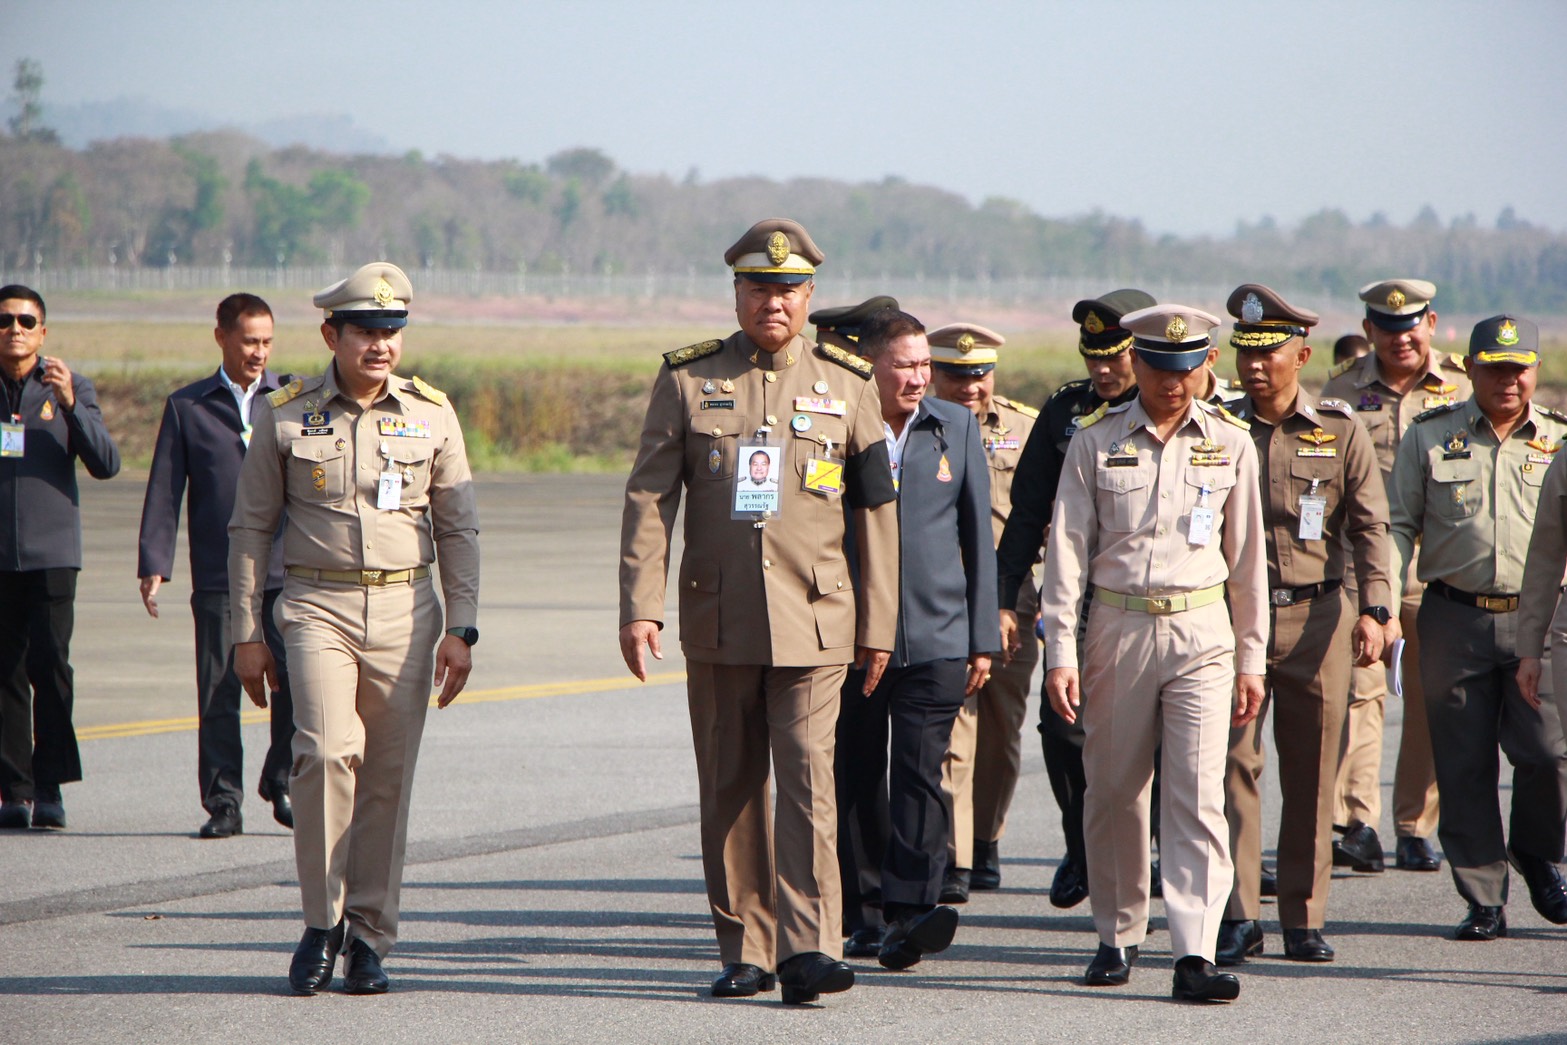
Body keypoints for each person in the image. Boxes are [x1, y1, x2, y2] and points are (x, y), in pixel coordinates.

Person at [618, 218, 899, 1006]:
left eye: (786, 288)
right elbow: (649, 496)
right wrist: (641, 605)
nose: (772, 300)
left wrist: (878, 624)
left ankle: (811, 947)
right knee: (731, 782)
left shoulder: (849, 383)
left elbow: (878, 511)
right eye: (757, 287)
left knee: (809, 781)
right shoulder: (686, 380)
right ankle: (745, 945)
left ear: (808, 296)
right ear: (736, 293)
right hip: (717, 618)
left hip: (816, 620)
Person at [229, 262, 480, 995]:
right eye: (366, 330)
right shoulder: (286, 412)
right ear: (331, 333)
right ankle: (321, 919)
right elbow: (249, 528)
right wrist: (245, 629)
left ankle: (369, 936)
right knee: (325, 754)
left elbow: (459, 528)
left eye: (391, 331)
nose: (380, 345)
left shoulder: (432, 412)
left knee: (385, 780)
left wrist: (462, 626)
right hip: (315, 607)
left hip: (407, 610)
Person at [1040, 303, 1267, 1002]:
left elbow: (1247, 560)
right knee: (1111, 788)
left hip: (1201, 631)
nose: (1174, 383)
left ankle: (1194, 948)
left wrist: (1250, 657)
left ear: (1205, 365)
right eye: (1160, 368)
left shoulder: (1230, 444)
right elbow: (1067, 549)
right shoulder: (1094, 440)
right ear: (1135, 363)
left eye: (1187, 368)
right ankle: (1115, 932)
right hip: (1117, 627)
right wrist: (1059, 649)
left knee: (1196, 793)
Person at [1215, 284, 1391, 967]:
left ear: (1302, 355)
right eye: (1245, 353)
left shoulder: (1338, 429)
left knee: (1313, 773)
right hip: (1233, 623)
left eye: (1270, 354)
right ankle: (1236, 913)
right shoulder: (1219, 428)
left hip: (1318, 614)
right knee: (1232, 767)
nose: (1255, 367)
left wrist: (1376, 608)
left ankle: (1302, 916)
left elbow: (1370, 526)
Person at [1389, 314, 1567, 940]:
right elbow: (1397, 525)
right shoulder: (1430, 436)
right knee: (1463, 764)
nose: (1509, 380)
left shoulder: (1559, 442)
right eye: (1494, 368)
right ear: (1470, 369)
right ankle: (1484, 895)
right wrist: (1383, 604)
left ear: (1535, 372)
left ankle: (1536, 849)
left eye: (1519, 369)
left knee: (1549, 753)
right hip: (1452, 616)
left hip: (1539, 620)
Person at [834, 309, 998, 970]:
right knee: (857, 773)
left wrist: (980, 636)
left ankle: (910, 910)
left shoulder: (954, 426)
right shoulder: (840, 422)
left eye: (923, 364)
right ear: (870, 365)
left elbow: (976, 536)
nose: (918, 377)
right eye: (904, 364)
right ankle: (863, 912)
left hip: (938, 635)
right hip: (852, 637)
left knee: (919, 773)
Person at [996, 288, 1152, 907]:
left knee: (1161, 741)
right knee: (1063, 730)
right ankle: (1082, 848)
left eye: (1116, 356)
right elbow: (1026, 512)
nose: (1104, 370)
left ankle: (1153, 851)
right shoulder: (1065, 412)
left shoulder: (1175, 405)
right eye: (1094, 357)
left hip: (1157, 598)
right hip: (1080, 601)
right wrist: (1005, 599)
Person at [1321, 279, 1469, 875]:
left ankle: (1414, 825)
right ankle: (1358, 823)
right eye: (1386, 327)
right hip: (1365, 566)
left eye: (1410, 325)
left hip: (1440, 567)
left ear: (1431, 323)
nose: (1399, 337)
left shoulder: (1462, 388)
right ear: (1368, 332)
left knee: (1432, 699)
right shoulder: (1341, 392)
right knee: (1361, 692)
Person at [138, 293, 296, 839]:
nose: (259, 353)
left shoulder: (290, 399)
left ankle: (281, 778)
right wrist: (154, 561)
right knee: (219, 691)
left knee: (297, 681)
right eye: (250, 341)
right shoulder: (189, 407)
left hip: (284, 570)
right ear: (222, 337)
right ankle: (223, 803)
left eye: (267, 342)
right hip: (219, 574)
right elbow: (165, 490)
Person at [0, 285, 120, 832]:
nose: (16, 330)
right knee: (5, 674)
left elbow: (106, 462)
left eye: (27, 321)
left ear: (43, 332)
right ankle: (13, 790)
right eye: (5, 321)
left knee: (51, 669)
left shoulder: (68, 387)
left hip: (52, 556)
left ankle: (49, 787)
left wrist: (71, 404)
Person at [926, 321, 1039, 903]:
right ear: (933, 374)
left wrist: (1027, 600)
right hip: (944, 600)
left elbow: (1044, 520)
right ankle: (956, 858)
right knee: (951, 730)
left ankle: (986, 836)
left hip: (1012, 604)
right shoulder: (917, 425)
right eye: (955, 374)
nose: (970, 386)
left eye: (980, 374)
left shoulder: (1023, 428)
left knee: (1000, 731)